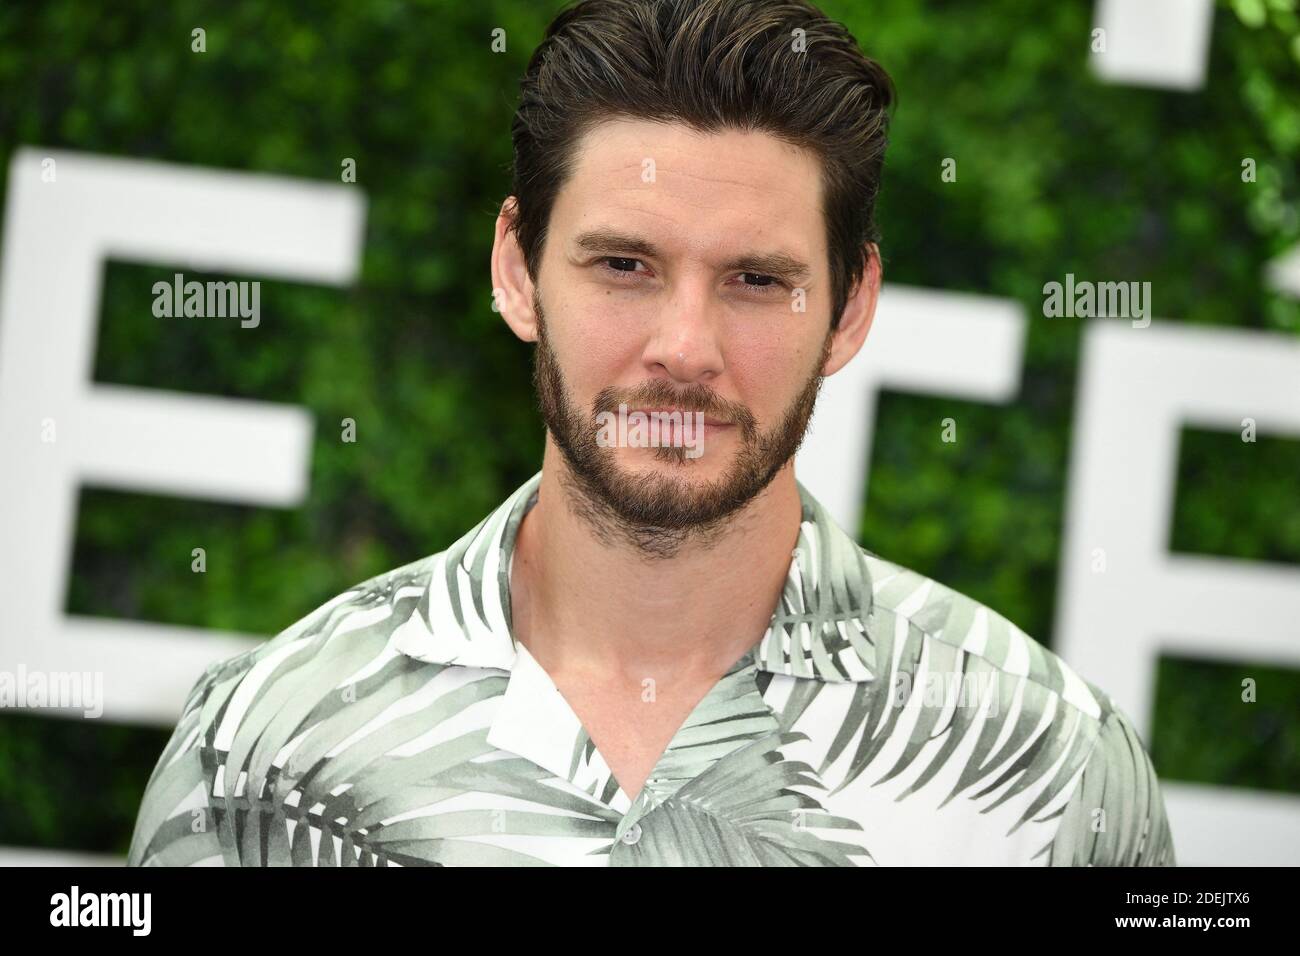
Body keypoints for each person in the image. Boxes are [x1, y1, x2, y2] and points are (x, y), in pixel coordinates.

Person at [127, 0, 1175, 866]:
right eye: (623, 265)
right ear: (515, 267)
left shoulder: (1051, 766)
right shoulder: (261, 747)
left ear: (850, 309)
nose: (684, 346)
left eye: (757, 280)